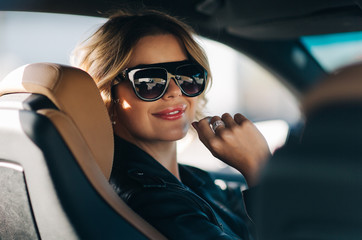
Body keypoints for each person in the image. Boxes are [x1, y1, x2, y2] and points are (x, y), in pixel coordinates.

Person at [72, 9, 270, 240]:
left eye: (188, 76)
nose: (175, 91)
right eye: (149, 81)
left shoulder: (187, 178)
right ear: (107, 91)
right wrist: (259, 168)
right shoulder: (151, 201)